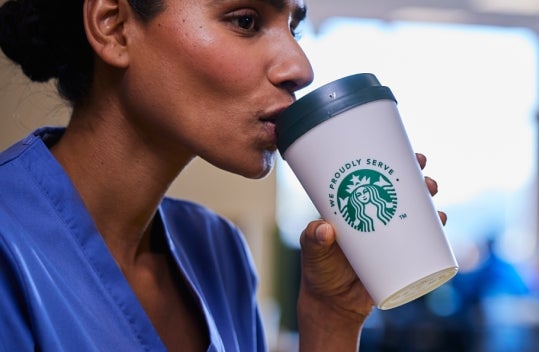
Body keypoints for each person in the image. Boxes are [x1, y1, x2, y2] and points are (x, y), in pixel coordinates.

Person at [0, 0, 447, 350]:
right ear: (114, 26)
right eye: (246, 21)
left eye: (294, 27)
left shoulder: (219, 251)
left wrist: (332, 318)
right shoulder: (9, 247)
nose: (300, 67)